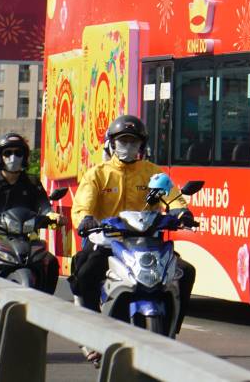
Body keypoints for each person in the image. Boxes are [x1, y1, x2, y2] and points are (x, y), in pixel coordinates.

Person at [70, 115, 195, 356]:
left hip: (146, 244)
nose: (128, 146)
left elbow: (174, 198)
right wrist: (86, 219)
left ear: (142, 145)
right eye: (123, 141)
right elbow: (82, 205)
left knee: (186, 272)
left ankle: (172, 331)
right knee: (85, 271)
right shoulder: (97, 174)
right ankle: (91, 333)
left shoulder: (152, 173)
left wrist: (182, 212)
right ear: (112, 144)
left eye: (133, 141)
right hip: (108, 243)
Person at [0, 133, 59, 325]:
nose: (13, 157)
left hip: (26, 235)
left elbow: (43, 205)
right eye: (8, 153)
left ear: (25, 156)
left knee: (51, 262)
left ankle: (47, 306)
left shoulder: (32, 182)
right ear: (0, 156)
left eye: (18, 153)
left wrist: (52, 215)